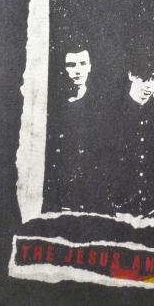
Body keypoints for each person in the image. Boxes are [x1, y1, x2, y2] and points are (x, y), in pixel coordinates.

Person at [108, 52, 154, 223]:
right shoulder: (113, 113)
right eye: (144, 78)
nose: (149, 85)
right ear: (131, 75)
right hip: (119, 212)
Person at [43, 41, 105, 214]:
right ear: (63, 68)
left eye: (82, 63)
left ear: (90, 66)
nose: (77, 70)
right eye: (71, 65)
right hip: (61, 192)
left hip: (91, 193)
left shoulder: (101, 105)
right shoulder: (53, 104)